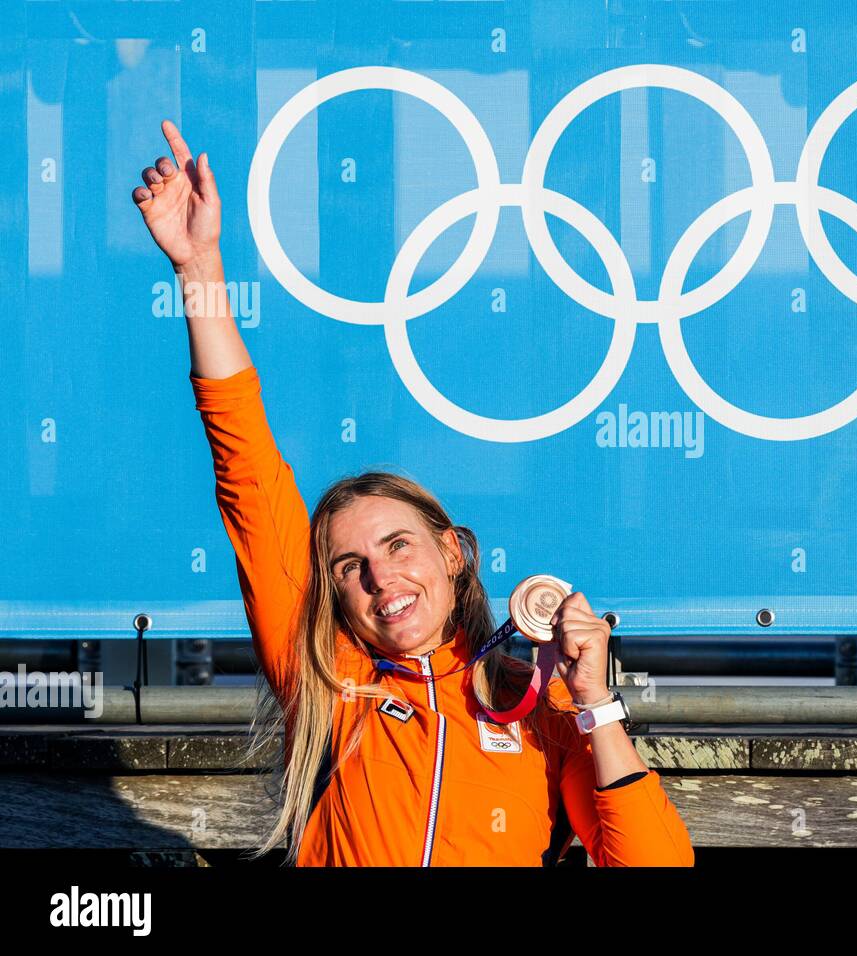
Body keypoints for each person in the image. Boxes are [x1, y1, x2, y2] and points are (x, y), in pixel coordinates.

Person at [131, 120, 694, 867]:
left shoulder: (536, 704)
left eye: (398, 545)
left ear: (454, 554)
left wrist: (595, 703)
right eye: (348, 567)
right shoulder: (331, 679)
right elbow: (246, 466)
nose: (380, 576)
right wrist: (199, 267)